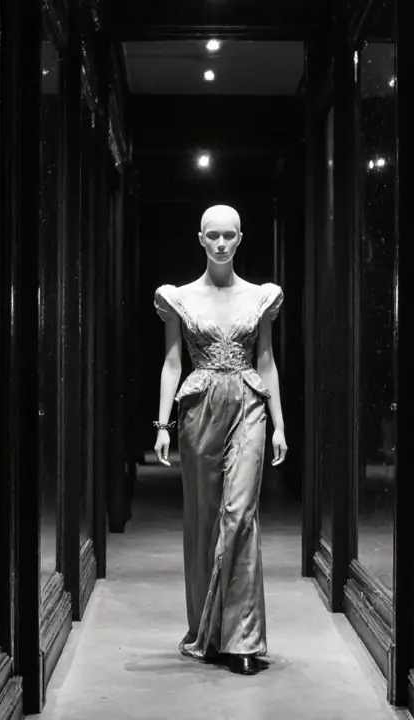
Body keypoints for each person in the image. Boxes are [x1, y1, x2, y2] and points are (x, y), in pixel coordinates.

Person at [152, 204, 287, 677]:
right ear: (201, 239)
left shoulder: (261, 296)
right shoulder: (179, 298)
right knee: (205, 518)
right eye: (214, 235)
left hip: (250, 404)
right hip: (200, 410)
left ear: (241, 238)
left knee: (240, 514)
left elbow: (266, 361)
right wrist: (162, 425)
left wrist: (280, 424)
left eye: (230, 234)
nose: (222, 243)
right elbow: (172, 362)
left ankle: (243, 639)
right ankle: (208, 631)